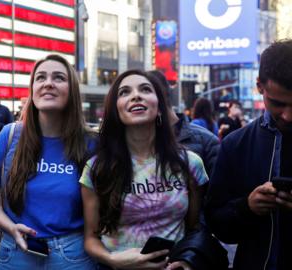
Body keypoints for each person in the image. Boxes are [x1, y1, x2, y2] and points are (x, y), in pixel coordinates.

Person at [0, 54, 96, 269]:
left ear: (73, 91)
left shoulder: (91, 143)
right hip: (16, 254)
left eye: (58, 77)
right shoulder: (10, 135)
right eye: (40, 78)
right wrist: (10, 227)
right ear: (33, 89)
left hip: (74, 257)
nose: (48, 83)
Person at [80, 70, 208, 270]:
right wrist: (114, 260)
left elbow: (193, 228)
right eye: (124, 92)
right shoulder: (96, 169)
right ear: (116, 110)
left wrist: (186, 261)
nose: (136, 95)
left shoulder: (190, 164)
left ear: (159, 107)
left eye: (145, 89)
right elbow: (90, 238)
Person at [205, 39, 292, 270]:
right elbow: (217, 222)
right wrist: (247, 207)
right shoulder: (235, 144)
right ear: (259, 86)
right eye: (278, 104)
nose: (288, 116)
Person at [149, 70, 219, 177]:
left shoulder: (207, 142)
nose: (136, 98)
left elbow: (217, 191)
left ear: (160, 95)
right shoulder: (127, 143)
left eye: (145, 90)